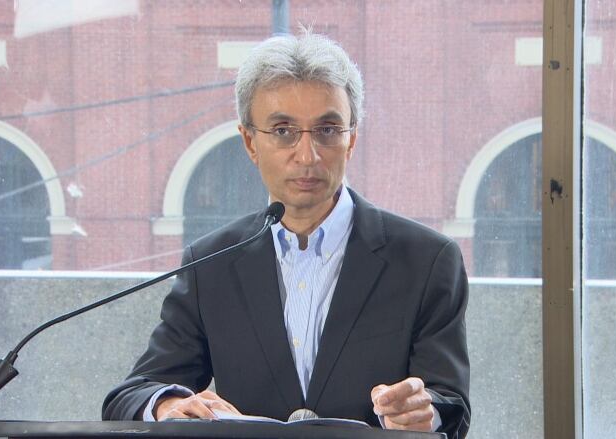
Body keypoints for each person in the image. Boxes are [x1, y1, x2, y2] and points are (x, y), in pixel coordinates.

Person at [102, 31, 470, 438]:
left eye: (328, 130)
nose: (307, 155)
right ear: (249, 142)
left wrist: (425, 410)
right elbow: (132, 394)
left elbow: (451, 404)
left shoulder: (427, 260)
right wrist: (169, 404)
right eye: (283, 131)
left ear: (351, 139)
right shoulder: (211, 264)